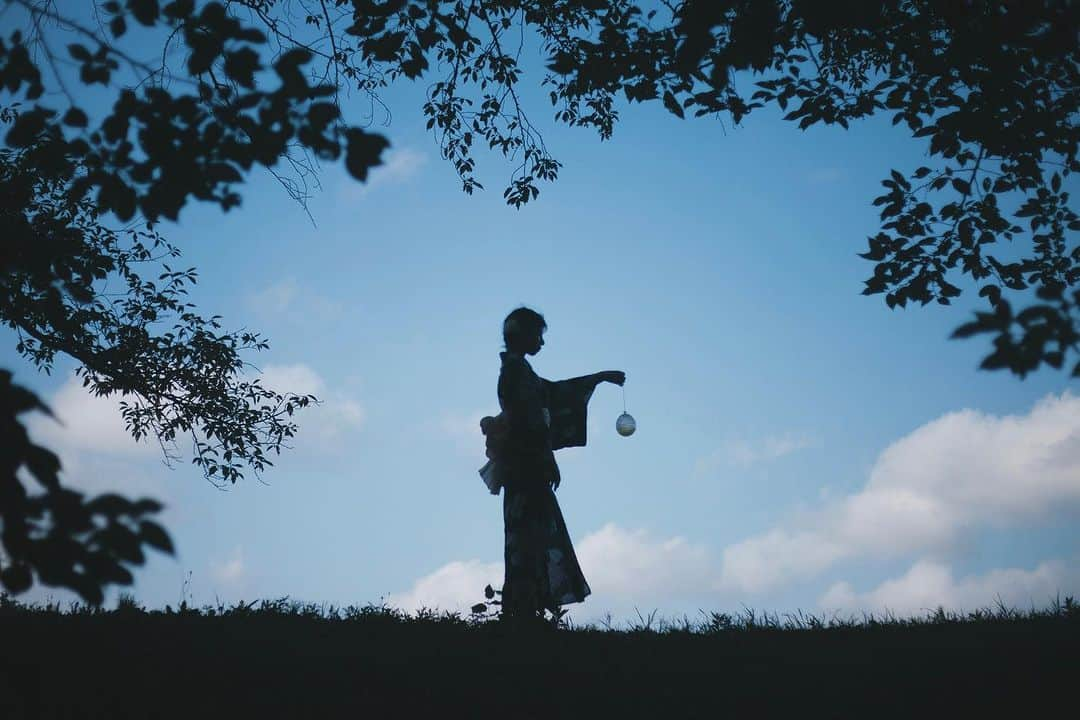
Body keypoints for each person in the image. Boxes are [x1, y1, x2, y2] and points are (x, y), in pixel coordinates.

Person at [485, 306, 625, 622]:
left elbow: (551, 393)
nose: (542, 343)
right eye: (539, 335)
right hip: (526, 468)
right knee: (528, 536)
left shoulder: (518, 372)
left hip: (523, 467)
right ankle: (522, 613)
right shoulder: (516, 374)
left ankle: (523, 611)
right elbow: (531, 421)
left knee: (527, 536)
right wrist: (546, 459)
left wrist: (599, 378)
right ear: (524, 335)